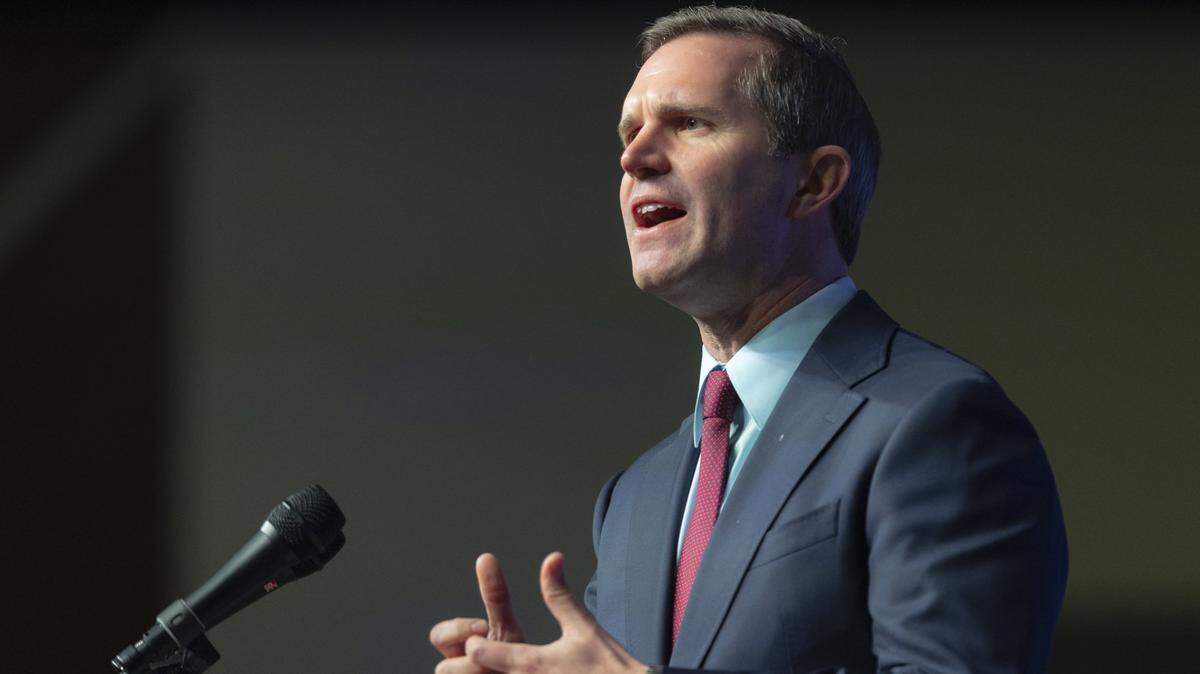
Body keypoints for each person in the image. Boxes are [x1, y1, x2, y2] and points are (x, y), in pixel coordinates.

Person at [429, 6, 1068, 673]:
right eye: (630, 132)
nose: (634, 157)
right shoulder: (634, 497)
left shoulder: (935, 422)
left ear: (814, 181)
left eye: (688, 123)